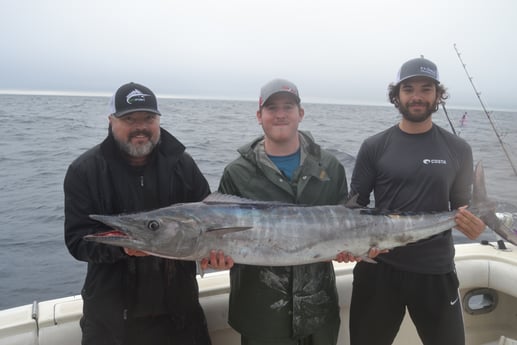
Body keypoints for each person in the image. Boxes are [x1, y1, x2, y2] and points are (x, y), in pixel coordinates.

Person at [346, 57, 486, 345]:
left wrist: (475, 223)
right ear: (397, 95)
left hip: (436, 270)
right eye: (408, 89)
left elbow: (461, 205)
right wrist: (353, 243)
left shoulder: (458, 148)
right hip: (379, 269)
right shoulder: (374, 146)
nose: (417, 96)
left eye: (426, 88)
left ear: (438, 95)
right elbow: (353, 208)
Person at [64, 82, 214, 345]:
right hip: (110, 321)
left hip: (180, 316)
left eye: (148, 118)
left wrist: (214, 255)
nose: (140, 126)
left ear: (158, 120)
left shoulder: (183, 165)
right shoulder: (84, 171)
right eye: (129, 119)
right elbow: (78, 241)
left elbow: (210, 222)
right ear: (111, 121)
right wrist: (123, 248)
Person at [208, 78, 354, 345]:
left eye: (288, 106)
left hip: (319, 312)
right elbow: (219, 232)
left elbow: (345, 225)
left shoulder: (331, 167)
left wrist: (348, 249)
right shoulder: (236, 173)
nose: (280, 114)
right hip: (260, 315)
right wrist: (216, 257)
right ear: (259, 116)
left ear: (301, 113)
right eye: (271, 107)